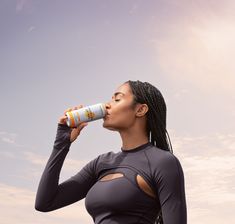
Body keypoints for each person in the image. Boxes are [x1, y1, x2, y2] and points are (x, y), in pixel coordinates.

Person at [35, 80, 187, 224]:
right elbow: (45, 202)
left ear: (140, 110)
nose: (107, 105)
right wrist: (61, 144)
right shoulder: (101, 163)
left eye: (117, 99)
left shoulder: (163, 162)